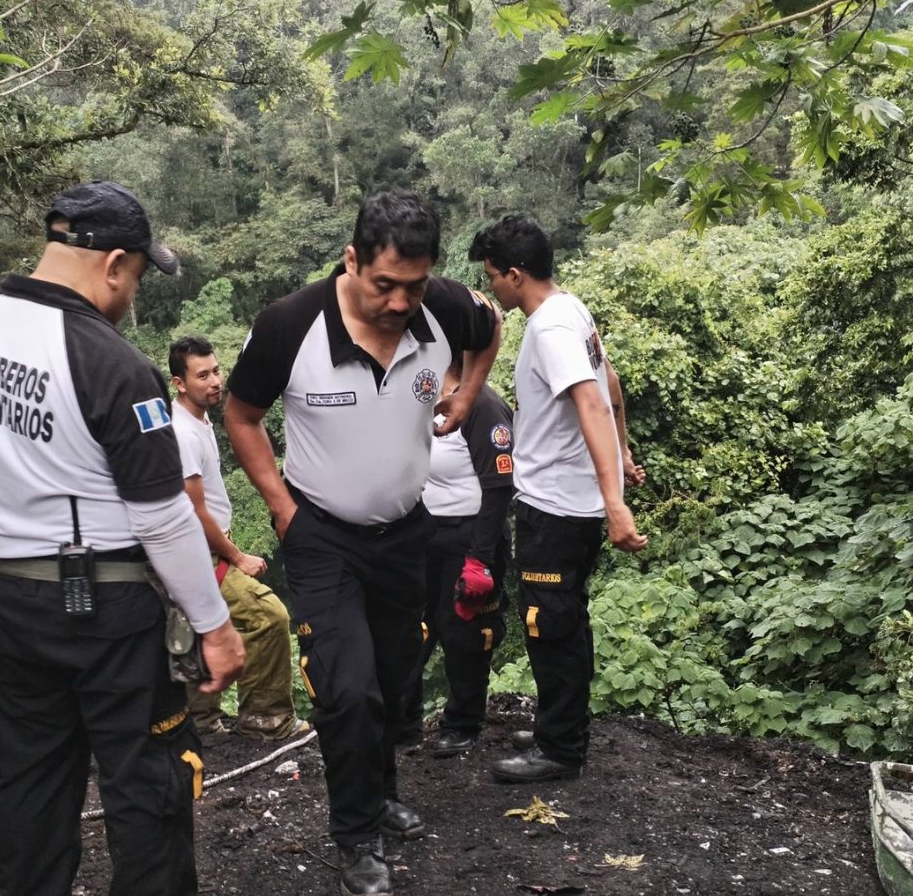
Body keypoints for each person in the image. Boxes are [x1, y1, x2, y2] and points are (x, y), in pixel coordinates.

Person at [0, 180, 246, 896]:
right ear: (115, 263)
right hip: (111, 612)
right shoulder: (115, 366)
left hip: (7, 598)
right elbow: (161, 516)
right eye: (135, 278)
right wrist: (214, 625)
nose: (131, 296)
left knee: (30, 781)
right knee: (147, 785)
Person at [226, 191, 501, 896]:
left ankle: (379, 792)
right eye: (384, 285)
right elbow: (242, 413)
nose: (399, 301)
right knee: (346, 689)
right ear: (351, 261)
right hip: (322, 537)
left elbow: (491, 322)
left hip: (406, 533)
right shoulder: (290, 325)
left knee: (393, 678)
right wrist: (282, 508)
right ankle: (355, 835)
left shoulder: (441, 306)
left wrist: (468, 393)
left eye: (413, 285)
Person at [468, 212, 647, 785]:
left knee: (552, 623)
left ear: (516, 274)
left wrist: (615, 499)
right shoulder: (569, 308)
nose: (492, 286)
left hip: (558, 506)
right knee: (563, 618)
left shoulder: (548, 329)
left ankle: (560, 750)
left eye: (494, 276)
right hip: (563, 501)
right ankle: (557, 721)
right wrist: (620, 451)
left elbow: (591, 400)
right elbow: (609, 379)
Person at [168, 335, 307, 741]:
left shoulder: (201, 421)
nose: (215, 381)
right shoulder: (183, 433)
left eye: (216, 370)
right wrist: (238, 556)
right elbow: (195, 510)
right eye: (202, 375)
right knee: (268, 616)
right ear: (179, 383)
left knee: (203, 625)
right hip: (201, 552)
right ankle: (266, 718)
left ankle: (202, 720)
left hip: (207, 548)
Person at [399, 352, 515, 758]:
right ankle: (405, 722)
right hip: (424, 533)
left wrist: (480, 559)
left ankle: (463, 723)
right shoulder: (419, 400)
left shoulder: (482, 405)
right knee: (410, 629)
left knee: (463, 631)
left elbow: (500, 487)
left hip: (471, 535)